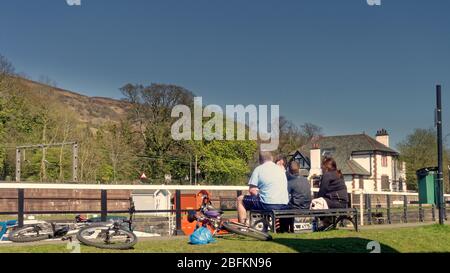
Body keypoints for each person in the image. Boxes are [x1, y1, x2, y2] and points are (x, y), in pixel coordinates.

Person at [236, 151, 289, 224]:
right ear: (272, 158)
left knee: (240, 199)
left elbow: (252, 190)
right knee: (263, 198)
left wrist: (259, 194)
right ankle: (265, 225)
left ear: (260, 160)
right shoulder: (281, 170)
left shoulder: (258, 169)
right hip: (284, 204)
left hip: (267, 205)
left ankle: (242, 227)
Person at [278, 161, 312, 233]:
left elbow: (284, 195)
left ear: (289, 170)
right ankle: (289, 229)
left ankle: (284, 230)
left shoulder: (291, 182)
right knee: (288, 206)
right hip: (306, 207)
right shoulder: (305, 180)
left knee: (282, 208)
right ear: (299, 168)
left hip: (296, 208)